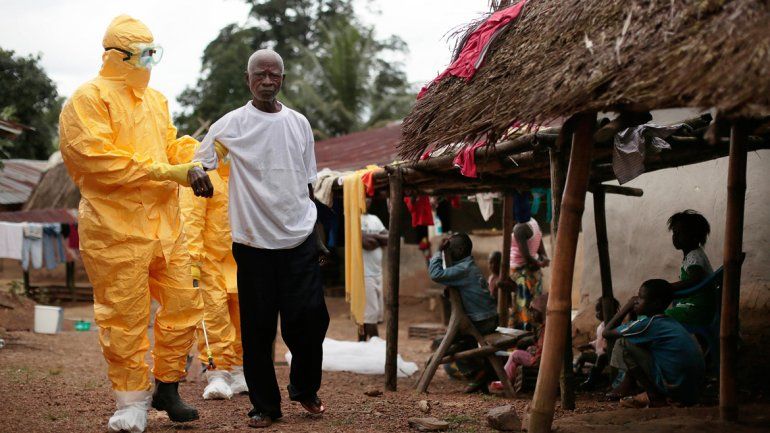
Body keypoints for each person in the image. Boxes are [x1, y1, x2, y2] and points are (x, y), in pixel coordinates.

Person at [59, 15, 203, 433]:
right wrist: (165, 171)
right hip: (114, 229)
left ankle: (168, 387)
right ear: (117, 55)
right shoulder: (87, 98)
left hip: (166, 226)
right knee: (124, 317)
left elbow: (170, 144)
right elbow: (96, 160)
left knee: (183, 306)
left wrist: (196, 155)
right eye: (144, 53)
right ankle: (131, 401)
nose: (150, 61)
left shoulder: (156, 100)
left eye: (153, 52)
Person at [189, 49, 329, 429]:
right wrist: (197, 174)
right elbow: (200, 160)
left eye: (274, 74)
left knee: (311, 319)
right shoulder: (231, 124)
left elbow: (307, 185)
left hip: (299, 237)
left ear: (282, 78)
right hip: (253, 245)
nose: (267, 81)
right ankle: (265, 406)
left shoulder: (299, 123)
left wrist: (316, 237)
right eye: (260, 74)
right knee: (258, 330)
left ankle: (304, 388)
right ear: (248, 79)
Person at [179, 150, 247, 400]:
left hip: (241, 260)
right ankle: (217, 373)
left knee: (243, 318)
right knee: (214, 317)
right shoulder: (203, 178)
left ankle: (239, 370)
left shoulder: (245, 179)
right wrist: (193, 259)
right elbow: (192, 219)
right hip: (210, 262)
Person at [602, 279, 705, 408]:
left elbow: (607, 333)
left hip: (676, 388)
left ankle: (654, 396)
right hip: (692, 391)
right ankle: (632, 384)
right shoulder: (668, 322)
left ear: (655, 303)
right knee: (639, 343)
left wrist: (627, 307)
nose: (636, 301)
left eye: (640, 298)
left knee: (623, 343)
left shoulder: (648, 324)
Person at [428, 233, 499, 393]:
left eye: (450, 248)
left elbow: (435, 274)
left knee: (445, 343)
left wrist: (438, 252)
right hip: (487, 318)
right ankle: (480, 372)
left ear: (459, 250)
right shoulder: (466, 267)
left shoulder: (464, 269)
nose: (448, 251)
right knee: (462, 343)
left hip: (483, 320)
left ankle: (478, 373)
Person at [665, 210, 715, 327]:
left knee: (657, 318)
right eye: (674, 232)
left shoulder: (694, 256)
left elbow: (694, 280)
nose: (675, 237)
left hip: (695, 310)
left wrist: (667, 287)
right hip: (695, 307)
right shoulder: (693, 255)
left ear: (694, 237)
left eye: (679, 233)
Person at [490, 293, 548, 391]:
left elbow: (542, 351)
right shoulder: (545, 327)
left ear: (542, 311)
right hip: (540, 358)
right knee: (523, 350)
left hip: (540, 362)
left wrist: (534, 357)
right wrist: (533, 349)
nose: (532, 315)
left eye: (535, 311)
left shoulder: (546, 329)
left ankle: (505, 381)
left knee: (515, 354)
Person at [509, 191, 549, 328]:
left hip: (523, 275)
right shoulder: (534, 222)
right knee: (534, 305)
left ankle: (525, 335)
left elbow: (526, 256)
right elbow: (540, 245)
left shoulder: (519, 228)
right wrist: (543, 259)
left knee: (523, 307)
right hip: (534, 274)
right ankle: (533, 333)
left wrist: (539, 262)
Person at [574, 297, 620, 390]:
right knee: (583, 356)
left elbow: (616, 341)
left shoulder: (615, 325)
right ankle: (577, 373)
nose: (597, 314)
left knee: (601, 359)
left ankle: (591, 381)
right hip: (599, 354)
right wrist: (590, 345)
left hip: (609, 356)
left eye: (599, 311)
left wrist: (608, 348)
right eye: (597, 311)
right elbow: (599, 340)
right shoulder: (602, 325)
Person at [359, 197, 388, 341]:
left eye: (370, 199)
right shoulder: (353, 218)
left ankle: (362, 343)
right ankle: (376, 342)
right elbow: (367, 244)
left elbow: (389, 237)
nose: (367, 201)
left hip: (377, 272)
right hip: (364, 273)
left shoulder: (375, 218)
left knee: (371, 314)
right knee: (370, 314)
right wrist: (379, 238)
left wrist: (372, 237)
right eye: (365, 199)